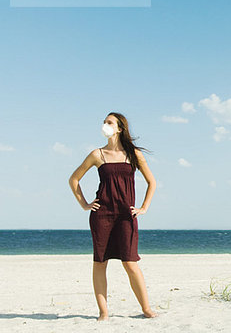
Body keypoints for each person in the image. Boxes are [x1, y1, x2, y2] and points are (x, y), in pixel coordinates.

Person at [68, 112, 158, 321]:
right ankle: (104, 312)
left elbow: (152, 182)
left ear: (119, 128)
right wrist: (84, 204)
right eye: (104, 122)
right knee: (100, 262)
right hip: (102, 215)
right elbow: (74, 179)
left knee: (130, 262)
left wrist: (143, 208)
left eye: (109, 122)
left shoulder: (133, 154)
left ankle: (146, 309)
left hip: (126, 216)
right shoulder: (97, 154)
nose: (104, 125)